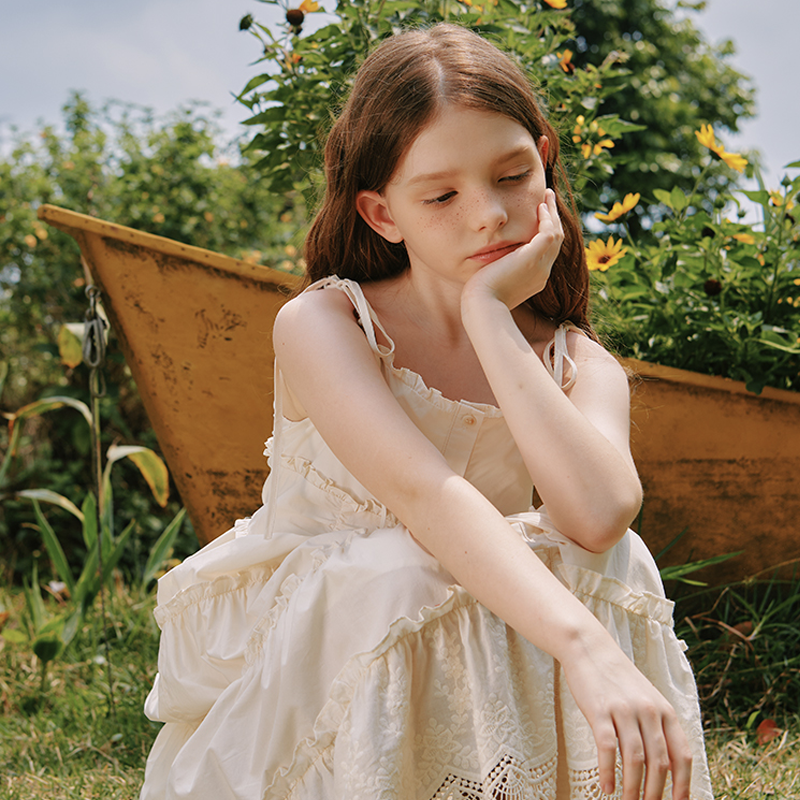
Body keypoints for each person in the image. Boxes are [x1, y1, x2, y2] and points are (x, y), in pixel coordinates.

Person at [140, 23, 713, 800]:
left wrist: (490, 316)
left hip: (470, 613)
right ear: (382, 215)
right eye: (441, 195)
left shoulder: (578, 364)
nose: (488, 216)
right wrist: (585, 647)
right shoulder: (326, 324)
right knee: (401, 570)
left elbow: (601, 514)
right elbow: (425, 499)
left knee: (617, 559)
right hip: (331, 625)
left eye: (512, 177)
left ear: (544, 163)